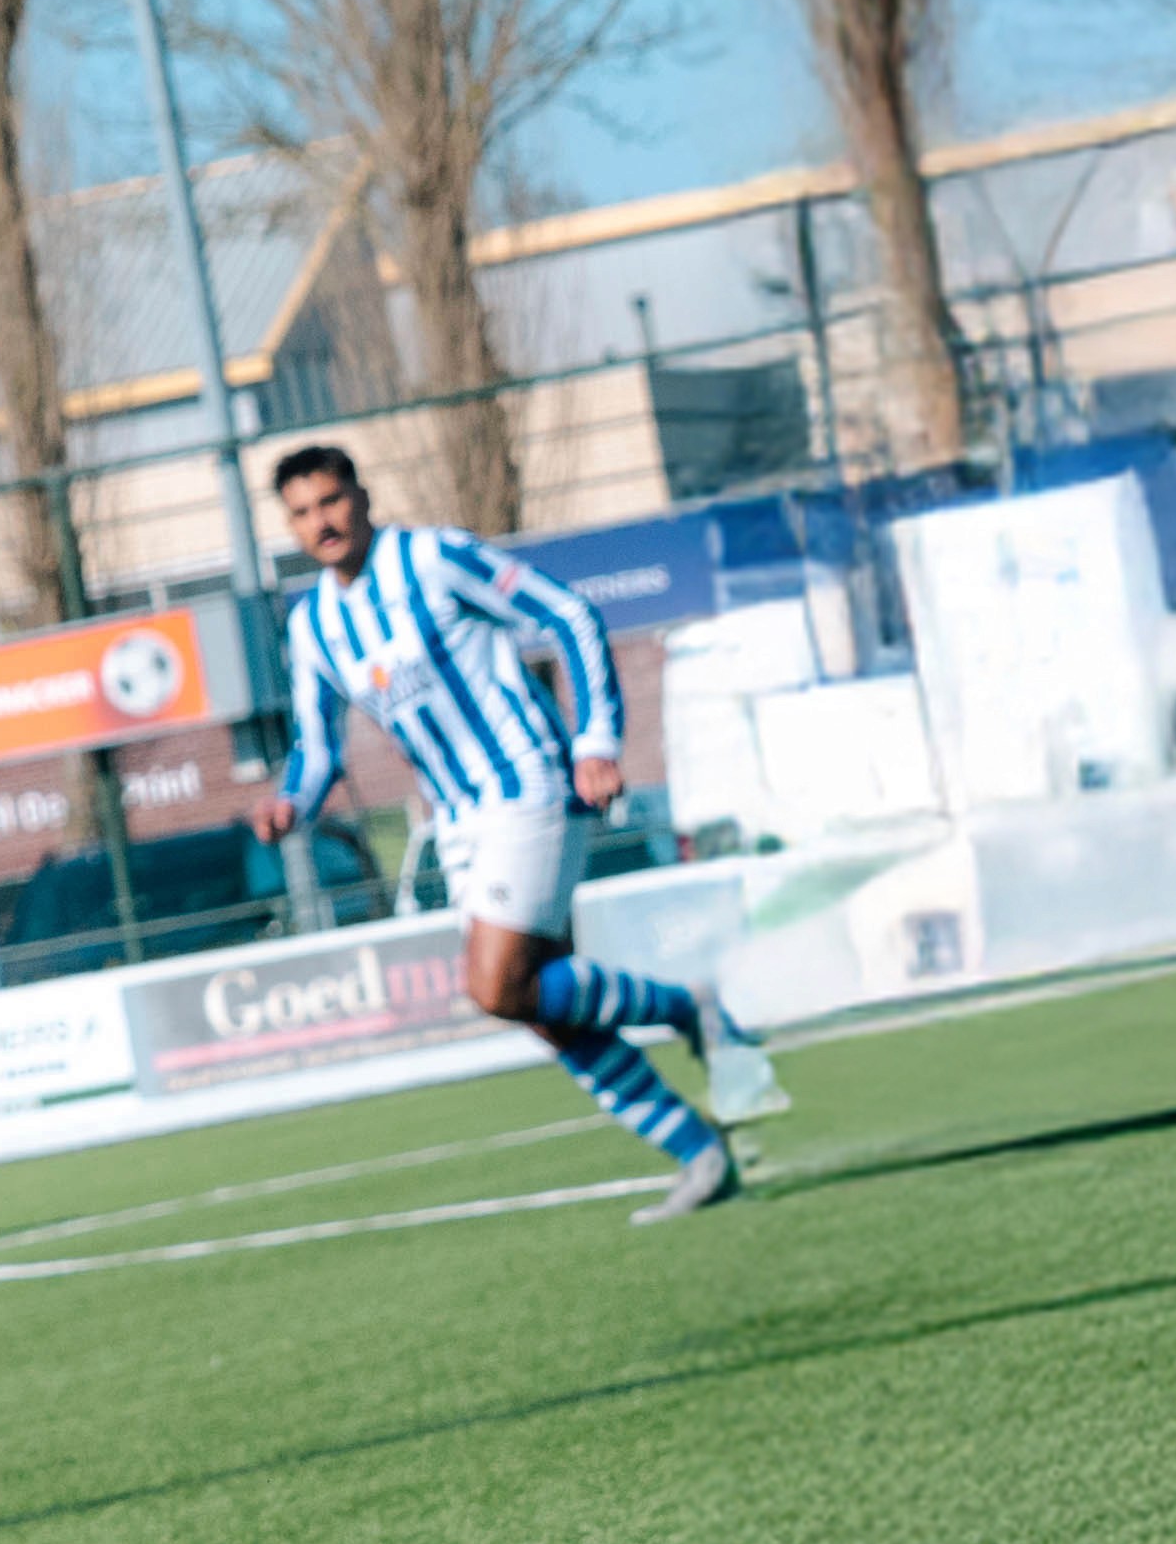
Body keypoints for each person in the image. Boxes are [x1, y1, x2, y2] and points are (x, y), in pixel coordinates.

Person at [234, 443, 779, 1220]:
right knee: (538, 1007)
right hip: (458, 819)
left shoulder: (432, 558)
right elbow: (315, 742)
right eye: (301, 511)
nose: (320, 521)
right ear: (286, 524)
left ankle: (691, 1005)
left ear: (360, 494)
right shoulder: (312, 624)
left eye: (330, 500)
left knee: (494, 986)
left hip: (526, 780)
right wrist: (289, 801)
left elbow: (568, 613)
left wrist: (594, 740)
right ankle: (699, 1152)